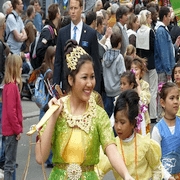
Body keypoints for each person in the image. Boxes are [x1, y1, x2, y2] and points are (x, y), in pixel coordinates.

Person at [35, 39, 134, 180]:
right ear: (70, 79)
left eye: (92, 77)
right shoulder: (57, 109)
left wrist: (126, 175)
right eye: (84, 77)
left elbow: (111, 148)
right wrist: (52, 117)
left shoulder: (99, 114)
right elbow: (40, 157)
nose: (90, 83)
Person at [96, 89, 163, 180]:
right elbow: (99, 172)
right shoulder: (112, 148)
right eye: (116, 121)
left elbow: (157, 169)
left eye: (122, 122)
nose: (118, 127)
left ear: (133, 123)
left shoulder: (145, 144)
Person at [53, 0, 102, 94]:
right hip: (67, 87)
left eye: (75, 8)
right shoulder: (62, 33)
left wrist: (96, 91)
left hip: (85, 87)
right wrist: (55, 86)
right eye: (71, 8)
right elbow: (58, 62)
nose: (73, 11)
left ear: (81, 9)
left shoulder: (90, 34)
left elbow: (95, 62)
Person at [154, 6, 180, 120]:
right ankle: (162, 115)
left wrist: (175, 46)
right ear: (164, 17)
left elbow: (168, 50)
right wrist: (169, 70)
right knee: (163, 92)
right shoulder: (161, 31)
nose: (170, 19)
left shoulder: (163, 30)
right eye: (169, 16)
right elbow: (164, 52)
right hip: (164, 69)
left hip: (166, 68)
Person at [151, 82, 180, 180]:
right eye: (172, 98)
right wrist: (168, 177)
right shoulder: (157, 129)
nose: (176, 101)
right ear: (162, 103)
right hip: (165, 177)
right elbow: (155, 161)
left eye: (177, 98)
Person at [2, 54, 23, 180]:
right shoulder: (12, 87)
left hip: (9, 129)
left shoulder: (10, 86)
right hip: (11, 130)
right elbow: (11, 112)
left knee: (10, 162)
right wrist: (17, 129)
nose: (21, 69)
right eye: (20, 67)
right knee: (10, 164)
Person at [136, 9, 158, 124]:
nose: (150, 19)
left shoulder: (139, 31)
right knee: (153, 90)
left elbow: (138, 49)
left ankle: (146, 113)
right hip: (152, 63)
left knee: (144, 89)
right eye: (149, 17)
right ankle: (153, 115)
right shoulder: (150, 31)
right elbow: (155, 47)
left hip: (143, 63)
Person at [102, 32, 126, 117]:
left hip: (107, 89)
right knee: (117, 115)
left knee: (107, 115)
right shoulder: (119, 57)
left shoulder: (105, 56)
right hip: (117, 90)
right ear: (119, 44)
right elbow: (122, 74)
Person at [34, 3, 60, 69]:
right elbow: (40, 50)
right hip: (45, 67)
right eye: (59, 13)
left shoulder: (54, 30)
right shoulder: (47, 31)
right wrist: (51, 51)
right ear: (57, 15)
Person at [131, 57, 151, 134]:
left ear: (141, 72)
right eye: (132, 69)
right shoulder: (129, 85)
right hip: (132, 119)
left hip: (144, 120)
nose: (134, 71)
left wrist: (138, 85)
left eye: (136, 69)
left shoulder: (145, 85)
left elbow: (144, 101)